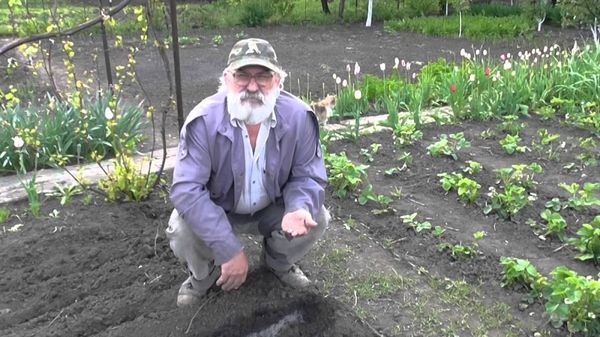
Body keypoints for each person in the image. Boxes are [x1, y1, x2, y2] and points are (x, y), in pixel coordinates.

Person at [166, 38, 329, 307]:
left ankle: (277, 264)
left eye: (263, 76)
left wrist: (299, 207)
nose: (252, 86)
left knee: (316, 217)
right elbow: (187, 190)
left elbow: (308, 175)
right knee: (182, 228)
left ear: (278, 81)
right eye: (242, 76)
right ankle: (203, 277)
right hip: (221, 210)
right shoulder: (203, 122)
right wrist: (228, 249)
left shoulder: (300, 118)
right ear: (227, 79)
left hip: (272, 208)